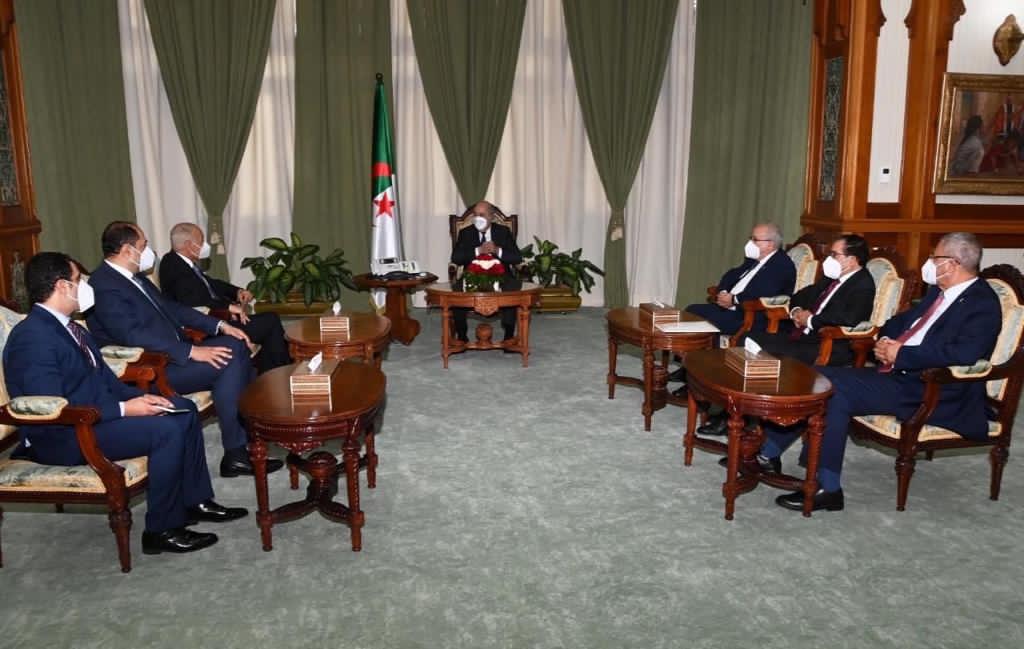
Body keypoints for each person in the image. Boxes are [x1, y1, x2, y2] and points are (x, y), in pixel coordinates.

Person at [4, 252, 250, 555]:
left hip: (94, 418)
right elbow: (50, 406)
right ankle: (161, 530)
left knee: (182, 409)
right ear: (62, 286)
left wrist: (138, 397)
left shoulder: (73, 328)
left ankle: (194, 502)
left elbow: (107, 382)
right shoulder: (32, 337)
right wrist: (124, 409)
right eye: (78, 280)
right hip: (64, 434)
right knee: (165, 430)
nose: (85, 286)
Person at [758, 233, 1000, 513]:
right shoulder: (938, 292)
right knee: (816, 376)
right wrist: (886, 341)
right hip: (902, 376)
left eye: (935, 258)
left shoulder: (982, 303)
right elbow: (898, 322)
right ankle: (772, 456)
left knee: (834, 390)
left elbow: (965, 354)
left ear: (953, 264)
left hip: (936, 389)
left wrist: (902, 354)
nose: (930, 263)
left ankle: (824, 486)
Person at [86, 222, 284, 478]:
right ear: (127, 250)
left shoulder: (135, 278)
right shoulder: (103, 284)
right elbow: (132, 335)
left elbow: (172, 308)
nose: (149, 251)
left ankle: (246, 440)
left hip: (172, 354)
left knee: (236, 344)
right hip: (148, 368)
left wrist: (220, 325)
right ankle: (238, 451)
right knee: (230, 359)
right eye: (144, 245)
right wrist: (191, 351)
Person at [701, 235, 876, 437]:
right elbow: (799, 296)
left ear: (852, 259)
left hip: (828, 344)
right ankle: (736, 411)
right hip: (801, 335)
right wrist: (796, 312)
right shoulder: (832, 278)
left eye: (834, 254)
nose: (829, 259)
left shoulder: (863, 285)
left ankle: (746, 418)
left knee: (768, 351)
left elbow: (851, 318)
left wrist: (812, 320)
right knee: (747, 340)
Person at [670, 223, 797, 391]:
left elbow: (765, 292)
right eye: (751, 238)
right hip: (731, 307)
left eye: (755, 239)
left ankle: (701, 382)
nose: (750, 243)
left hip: (753, 315)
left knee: (711, 322)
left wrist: (735, 299)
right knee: (692, 310)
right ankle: (688, 368)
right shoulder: (754, 259)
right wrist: (723, 291)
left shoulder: (781, 265)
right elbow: (730, 275)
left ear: (770, 244)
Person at [159, 222, 291, 373]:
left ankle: (271, 372)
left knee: (269, 323)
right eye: (201, 241)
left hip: (217, 319)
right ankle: (279, 373)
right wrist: (227, 307)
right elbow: (192, 300)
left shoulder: (184, 263)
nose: (204, 245)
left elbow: (211, 284)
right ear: (189, 245)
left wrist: (237, 291)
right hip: (206, 328)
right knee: (270, 321)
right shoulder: (171, 264)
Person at [450, 201, 523, 342]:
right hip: (472, 276)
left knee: (511, 291)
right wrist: (478, 250)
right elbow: (456, 258)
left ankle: (508, 336)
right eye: (475, 215)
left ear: (491, 217)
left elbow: (516, 257)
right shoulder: (466, 233)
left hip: (501, 276)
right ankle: (462, 336)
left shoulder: (503, 232)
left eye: (482, 215)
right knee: (456, 294)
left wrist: (497, 250)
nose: (478, 218)